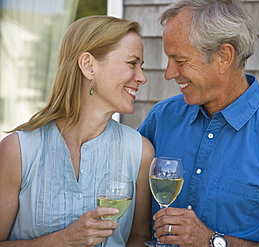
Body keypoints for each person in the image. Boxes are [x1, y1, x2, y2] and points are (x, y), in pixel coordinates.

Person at [138, 0, 259, 246]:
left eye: (180, 60)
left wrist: (214, 241)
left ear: (224, 56)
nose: (169, 73)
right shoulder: (161, 118)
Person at [0, 16, 154, 246]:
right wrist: (62, 240)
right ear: (88, 66)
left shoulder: (140, 152)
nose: (142, 77)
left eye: (141, 66)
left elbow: (139, 237)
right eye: (132, 63)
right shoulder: (19, 150)